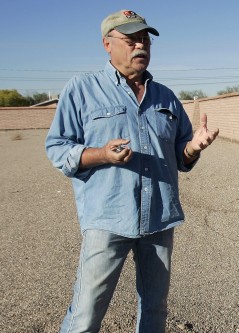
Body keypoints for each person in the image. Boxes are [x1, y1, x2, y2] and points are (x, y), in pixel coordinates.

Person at [45, 9, 219, 332]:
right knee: (86, 314)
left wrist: (193, 147)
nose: (141, 46)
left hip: (159, 221)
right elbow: (57, 148)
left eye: (145, 39)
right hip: (108, 219)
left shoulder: (166, 97)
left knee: (155, 310)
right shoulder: (82, 89)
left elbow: (182, 157)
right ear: (107, 44)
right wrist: (100, 154)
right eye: (131, 39)